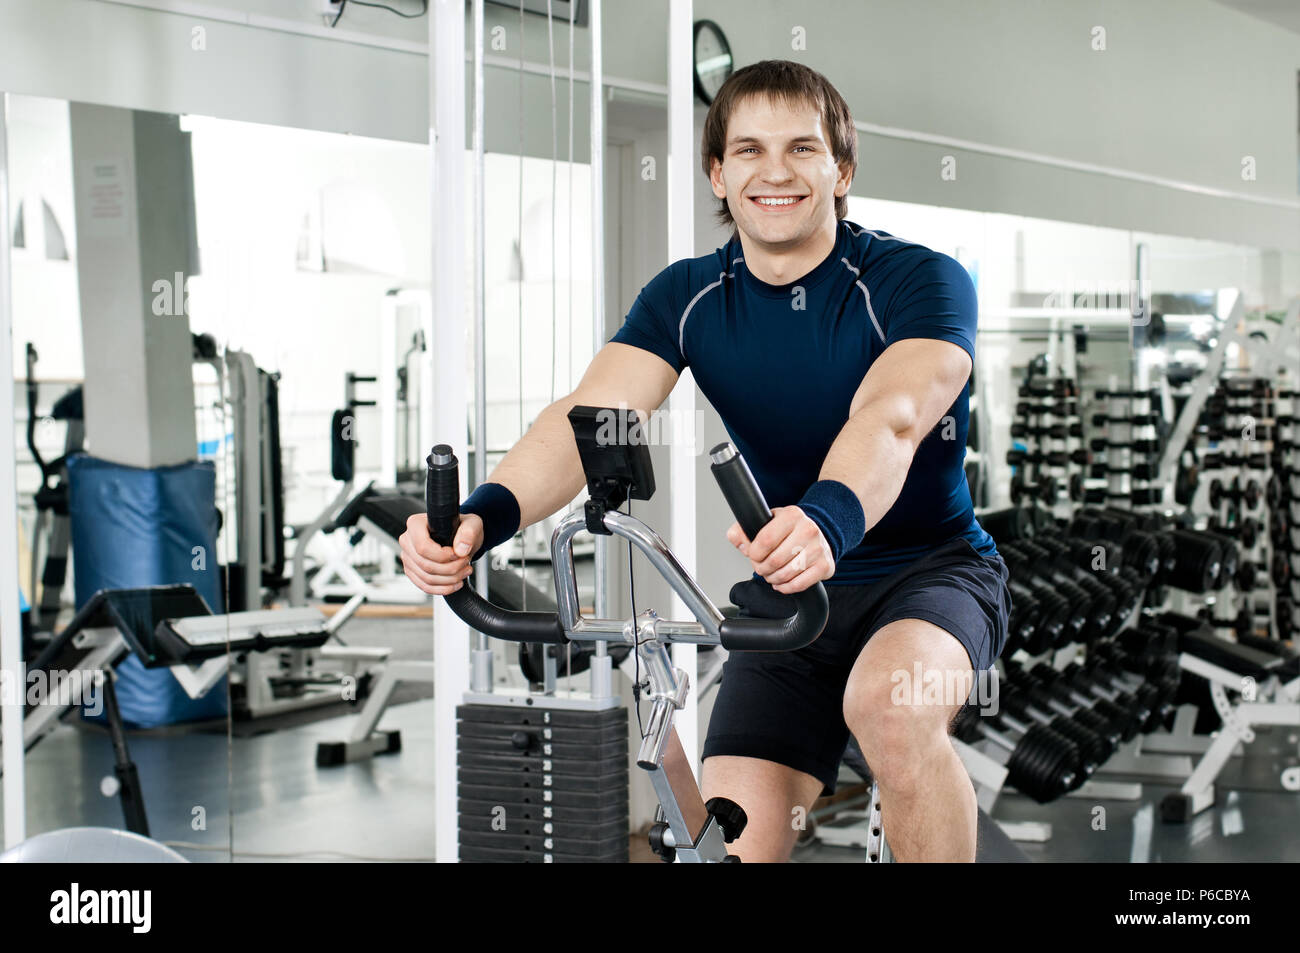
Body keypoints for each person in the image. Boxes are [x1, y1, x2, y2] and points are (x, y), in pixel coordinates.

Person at [399, 59, 1010, 862]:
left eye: (802, 148)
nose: (776, 171)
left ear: (842, 168)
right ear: (718, 175)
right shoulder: (686, 298)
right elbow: (588, 419)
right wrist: (485, 515)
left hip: (928, 572)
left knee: (891, 710)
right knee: (726, 842)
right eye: (749, 150)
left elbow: (892, 418)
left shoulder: (917, 280)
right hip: (788, 598)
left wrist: (827, 517)